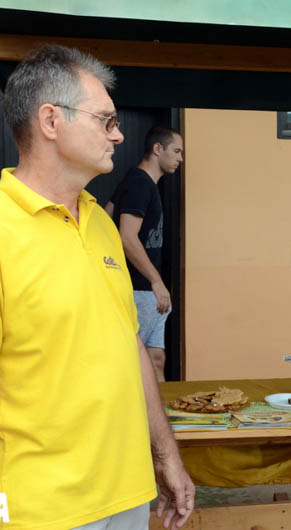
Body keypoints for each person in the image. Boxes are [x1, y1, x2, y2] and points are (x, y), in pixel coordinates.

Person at [0, 45, 194, 530]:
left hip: (128, 497)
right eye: (105, 120)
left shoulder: (101, 224)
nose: (118, 134)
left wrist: (166, 455)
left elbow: (130, 345)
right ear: (51, 120)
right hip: (41, 511)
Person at [106, 126, 184, 382]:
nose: (180, 159)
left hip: (147, 291)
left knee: (156, 358)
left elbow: (105, 216)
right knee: (134, 361)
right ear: (157, 148)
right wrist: (156, 281)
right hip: (138, 289)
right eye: (176, 151)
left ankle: (160, 409)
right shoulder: (140, 183)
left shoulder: (140, 182)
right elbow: (126, 236)